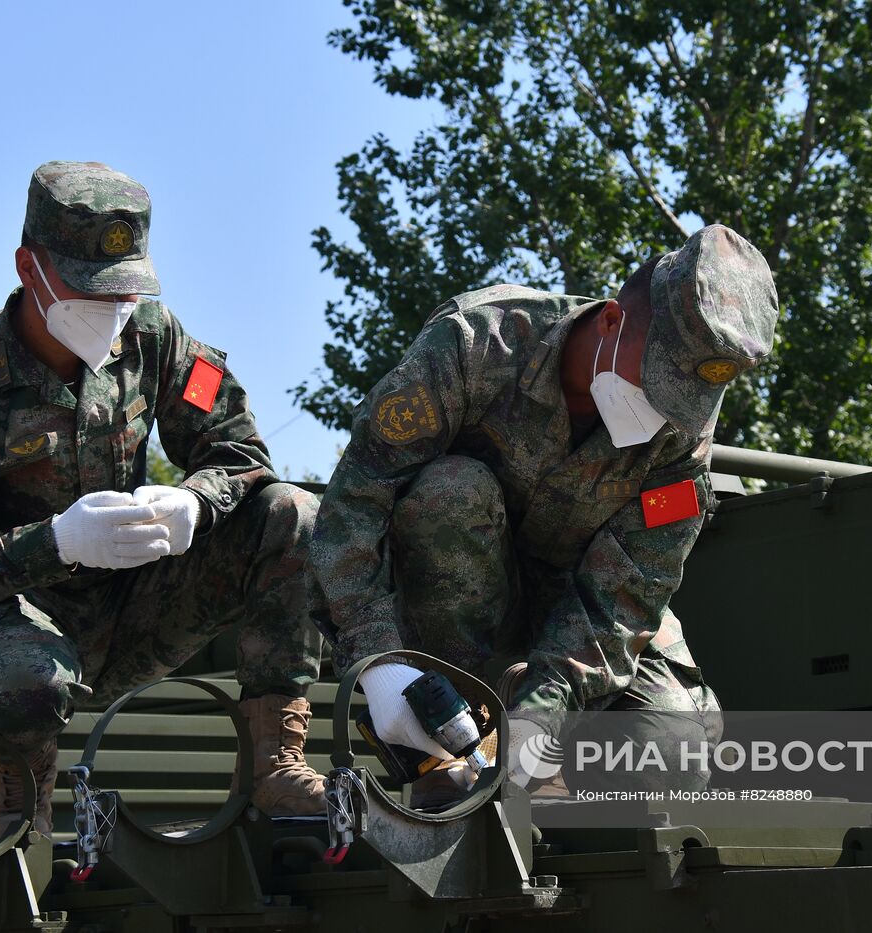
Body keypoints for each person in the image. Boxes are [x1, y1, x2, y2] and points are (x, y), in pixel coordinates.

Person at [0, 161, 325, 848]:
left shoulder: (156, 337)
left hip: (139, 608)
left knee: (292, 513)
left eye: (124, 291)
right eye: (89, 292)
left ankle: (276, 764)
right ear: (29, 268)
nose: (110, 310)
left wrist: (193, 502)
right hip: (18, 630)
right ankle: (16, 810)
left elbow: (240, 451)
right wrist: (56, 541)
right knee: (23, 675)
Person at [309, 224, 778, 801]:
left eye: (681, 398)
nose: (661, 412)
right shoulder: (478, 344)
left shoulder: (682, 439)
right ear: (610, 321)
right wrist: (379, 662)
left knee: (674, 761)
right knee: (450, 491)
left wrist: (543, 708)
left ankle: (527, 763)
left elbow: (627, 594)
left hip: (576, 613)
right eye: (655, 382)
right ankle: (449, 749)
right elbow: (356, 501)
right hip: (452, 596)